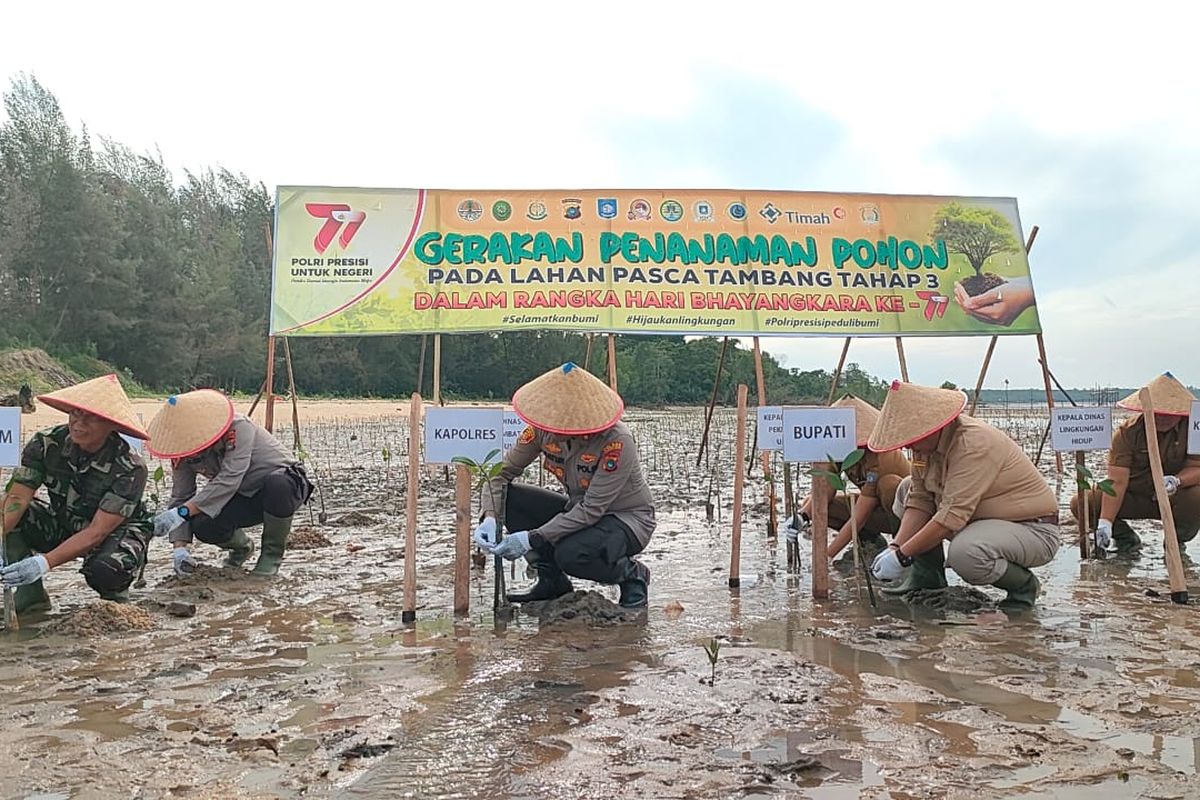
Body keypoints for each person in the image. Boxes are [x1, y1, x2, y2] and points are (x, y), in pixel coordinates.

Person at [472, 362, 656, 609]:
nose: (554, 432)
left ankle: (632, 575)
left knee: (570, 554)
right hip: (576, 509)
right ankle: (552, 582)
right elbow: (499, 475)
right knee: (509, 498)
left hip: (625, 520)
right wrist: (490, 516)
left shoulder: (616, 442)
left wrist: (532, 538)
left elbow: (593, 509)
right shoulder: (540, 431)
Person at [868, 381, 1059, 609]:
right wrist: (896, 546)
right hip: (979, 522)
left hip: (1031, 529)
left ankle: (1023, 588)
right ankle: (927, 576)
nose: (909, 446)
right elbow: (919, 500)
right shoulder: (923, 451)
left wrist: (903, 556)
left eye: (912, 438)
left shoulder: (972, 444)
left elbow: (951, 517)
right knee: (904, 489)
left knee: (965, 554)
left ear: (933, 427)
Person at [0, 375, 153, 610]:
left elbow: (97, 532)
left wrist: (43, 563)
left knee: (107, 569)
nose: (79, 424)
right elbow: (17, 498)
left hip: (113, 532)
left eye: (91, 418)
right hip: (64, 520)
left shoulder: (131, 466)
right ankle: (30, 598)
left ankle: (115, 603)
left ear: (111, 425)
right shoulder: (45, 444)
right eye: (75, 414)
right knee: (8, 516)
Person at [145, 389, 313, 577]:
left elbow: (230, 478)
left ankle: (270, 557)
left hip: (283, 488)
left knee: (278, 484)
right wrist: (179, 549)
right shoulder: (181, 452)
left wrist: (182, 512)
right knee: (202, 524)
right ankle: (242, 547)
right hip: (244, 496)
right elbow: (181, 496)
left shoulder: (238, 428)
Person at [1072, 373, 1200, 552]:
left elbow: (1196, 467)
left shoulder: (1194, 430)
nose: (1162, 418)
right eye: (1157, 413)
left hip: (1174, 496)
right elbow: (1117, 481)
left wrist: (1176, 481)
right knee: (1083, 502)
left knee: (1197, 496)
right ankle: (1126, 540)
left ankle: (1176, 541)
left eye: (1168, 413)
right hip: (1133, 494)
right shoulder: (1127, 433)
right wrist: (1105, 522)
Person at [787, 394, 910, 566]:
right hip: (874, 510)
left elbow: (861, 513)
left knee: (889, 485)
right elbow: (826, 489)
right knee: (813, 502)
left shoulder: (877, 454)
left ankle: (901, 547)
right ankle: (869, 539)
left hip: (902, 514)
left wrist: (827, 555)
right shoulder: (840, 449)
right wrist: (802, 516)